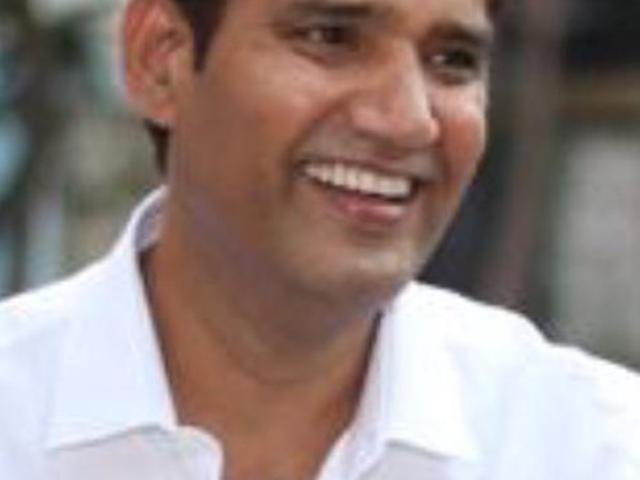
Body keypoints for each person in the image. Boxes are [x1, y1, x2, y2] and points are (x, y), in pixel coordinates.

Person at [1, 0, 638, 478]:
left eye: (453, 61)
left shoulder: (587, 447)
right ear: (159, 59)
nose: (408, 120)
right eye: (330, 37)